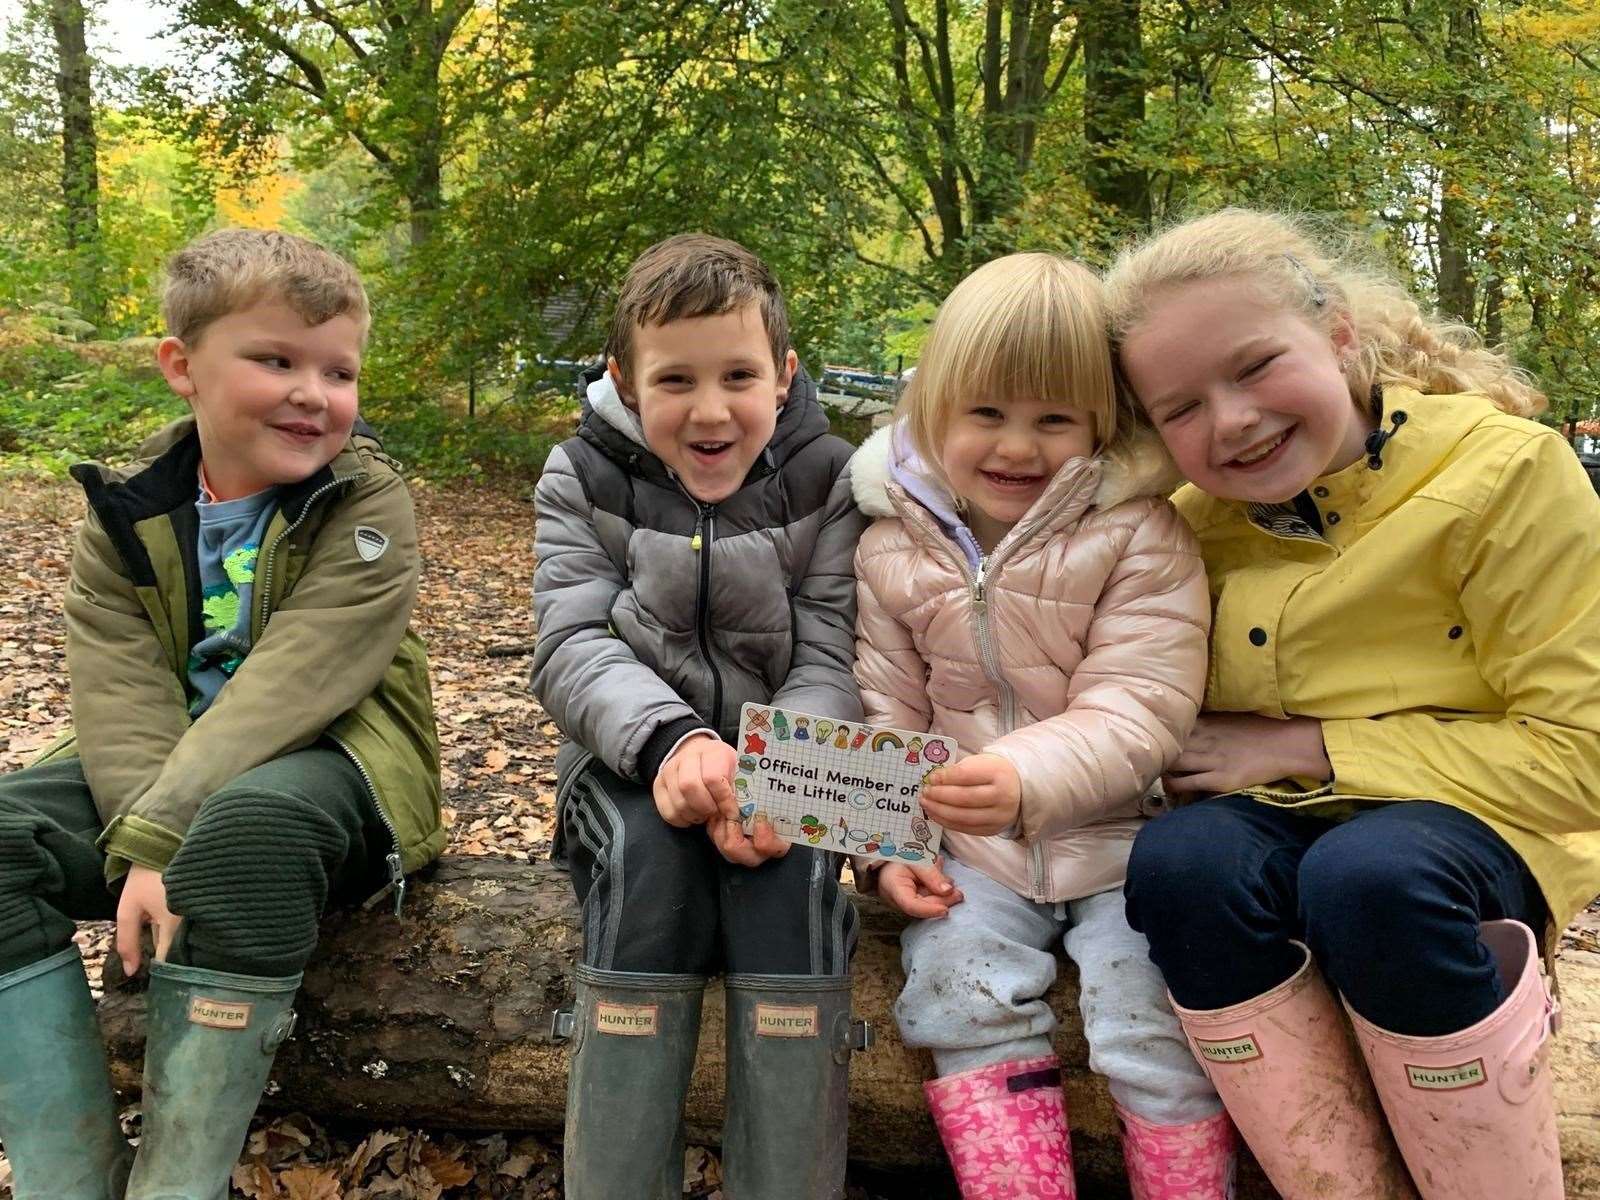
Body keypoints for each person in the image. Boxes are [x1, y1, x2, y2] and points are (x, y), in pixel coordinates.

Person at [1107, 207, 1600, 1200]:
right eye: (1182, 410)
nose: (1232, 420)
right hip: (1275, 826)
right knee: (1180, 864)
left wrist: (1307, 743)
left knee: (1370, 875)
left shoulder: (1503, 471)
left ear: (1338, 336)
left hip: (1473, 826)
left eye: (1253, 367)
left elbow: (1580, 754)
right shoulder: (1183, 526)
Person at [0, 228, 443, 1198]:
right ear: (181, 367)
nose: (312, 393)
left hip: (337, 758)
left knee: (243, 830)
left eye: (339, 370)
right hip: (162, 767)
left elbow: (298, 679)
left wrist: (161, 836)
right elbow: (118, 694)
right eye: (275, 359)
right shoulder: (128, 517)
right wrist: (144, 843)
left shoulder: (365, 503)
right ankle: (68, 1178)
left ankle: (176, 1185)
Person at [850, 253, 1230, 1199]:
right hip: (974, 855)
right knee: (952, 993)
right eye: (987, 413)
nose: (1017, 446)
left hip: (1124, 841)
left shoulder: (1141, 534)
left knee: (1152, 1015)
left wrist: (1025, 774)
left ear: (1101, 423)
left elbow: (1143, 700)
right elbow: (885, 707)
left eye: (1052, 419)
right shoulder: (890, 546)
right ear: (934, 408)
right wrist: (891, 847)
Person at [531, 233, 868, 1200]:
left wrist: (775, 772)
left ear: (785, 374)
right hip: (624, 757)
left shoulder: (829, 476)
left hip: (783, 766)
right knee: (650, 863)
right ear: (626, 384)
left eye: (739, 376)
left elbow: (830, 652)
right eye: (675, 379)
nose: (711, 410)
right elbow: (570, 648)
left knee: (797, 878)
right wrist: (674, 742)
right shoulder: (579, 477)